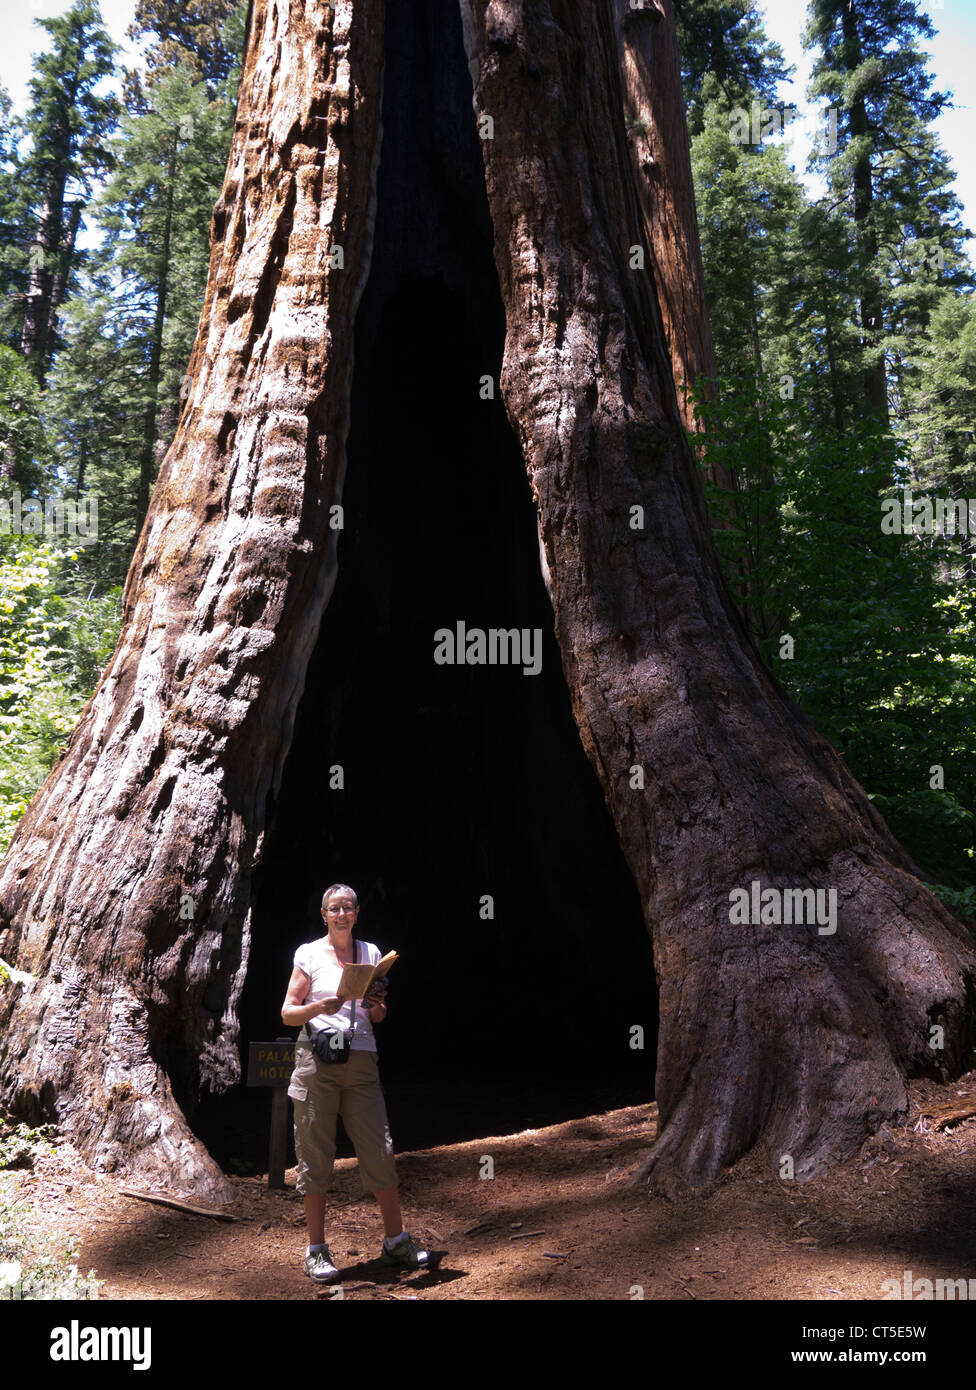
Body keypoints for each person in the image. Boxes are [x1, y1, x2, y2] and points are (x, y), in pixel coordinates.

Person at [281, 882, 429, 1283]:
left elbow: (378, 1016)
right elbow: (288, 1013)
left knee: (379, 1149)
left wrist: (378, 1004)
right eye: (334, 908)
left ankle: (395, 1239)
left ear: (357, 912)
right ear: (324, 915)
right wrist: (318, 1006)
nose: (342, 914)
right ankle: (316, 1250)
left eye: (348, 907)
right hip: (317, 1057)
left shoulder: (372, 954)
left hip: (361, 1059)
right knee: (315, 1153)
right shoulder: (309, 954)